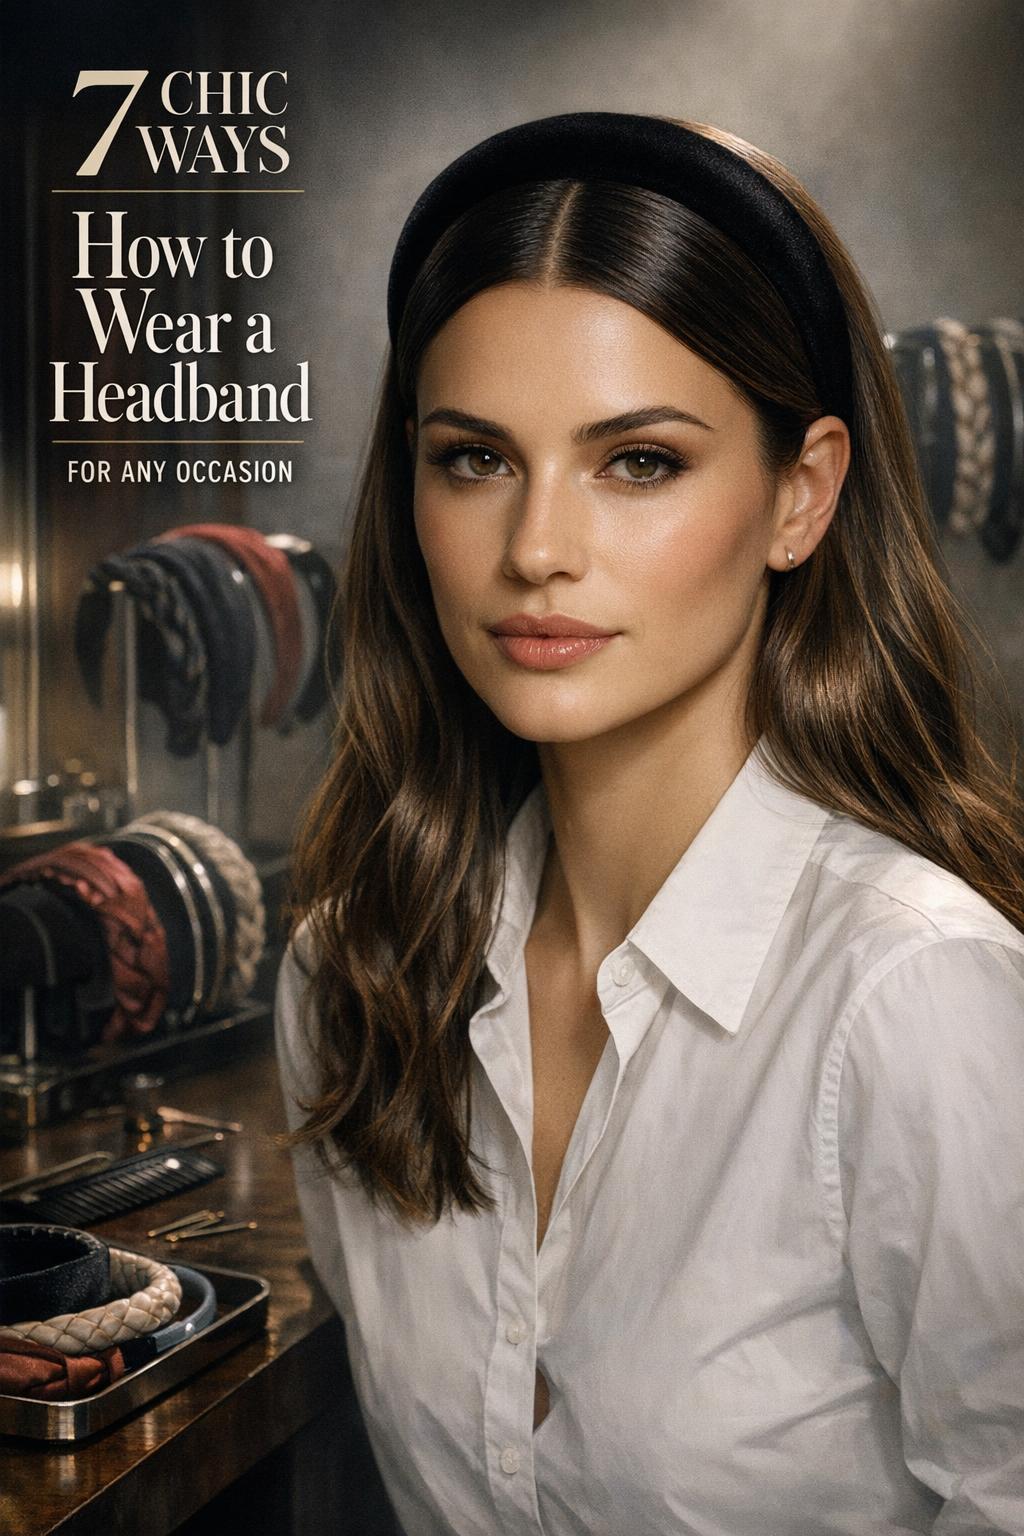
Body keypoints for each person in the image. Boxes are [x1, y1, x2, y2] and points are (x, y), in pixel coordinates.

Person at [273, 111, 1024, 1535]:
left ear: (800, 497)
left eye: (639, 462)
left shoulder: (917, 997)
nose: (537, 548)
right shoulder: (348, 981)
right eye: (476, 459)